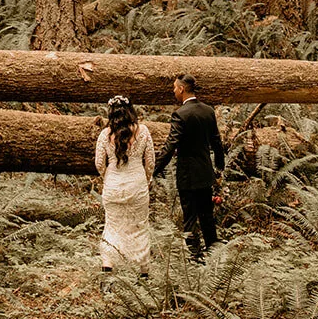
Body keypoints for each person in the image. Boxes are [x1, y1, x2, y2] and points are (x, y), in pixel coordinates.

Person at [152, 74, 225, 261]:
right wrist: (219, 167)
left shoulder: (180, 114)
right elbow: (217, 142)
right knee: (207, 215)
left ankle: (194, 257)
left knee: (190, 217)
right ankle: (214, 253)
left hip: (187, 175)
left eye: (175, 88)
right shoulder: (208, 111)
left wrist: (153, 169)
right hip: (205, 172)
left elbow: (170, 145)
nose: (173, 91)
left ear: (182, 89)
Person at [94, 95, 155, 274]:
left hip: (113, 186)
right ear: (131, 111)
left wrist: (108, 177)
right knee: (139, 226)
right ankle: (143, 271)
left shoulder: (105, 134)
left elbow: (99, 163)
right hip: (137, 185)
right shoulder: (143, 131)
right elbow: (150, 162)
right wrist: (146, 179)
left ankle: (108, 267)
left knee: (112, 227)